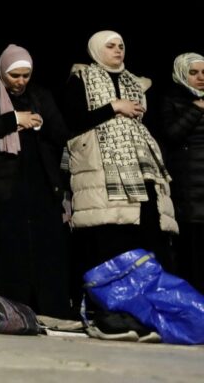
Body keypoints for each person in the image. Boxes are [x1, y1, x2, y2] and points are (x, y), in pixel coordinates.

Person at [0, 44, 72, 317]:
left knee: (41, 249)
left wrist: (39, 124)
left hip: (38, 184)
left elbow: (61, 133)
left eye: (25, 76)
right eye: (15, 76)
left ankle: (46, 309)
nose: (21, 82)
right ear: (3, 72)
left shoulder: (40, 95)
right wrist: (12, 120)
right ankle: (5, 309)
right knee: (7, 250)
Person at [63, 31, 177, 280]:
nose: (118, 50)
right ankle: (113, 302)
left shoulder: (135, 82)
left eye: (121, 46)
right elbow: (72, 120)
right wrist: (114, 107)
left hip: (140, 167)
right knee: (111, 231)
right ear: (95, 49)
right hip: (101, 168)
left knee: (146, 230)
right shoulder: (82, 77)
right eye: (111, 46)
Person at [158, 52, 204, 293]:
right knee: (192, 246)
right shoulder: (173, 99)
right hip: (188, 184)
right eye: (194, 73)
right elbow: (171, 134)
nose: (200, 78)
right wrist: (196, 109)